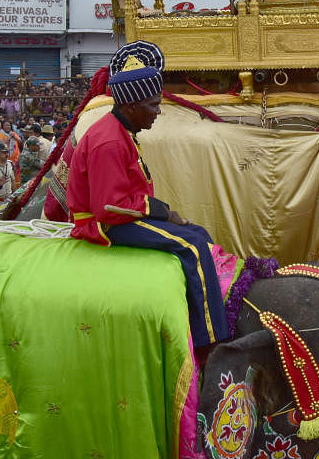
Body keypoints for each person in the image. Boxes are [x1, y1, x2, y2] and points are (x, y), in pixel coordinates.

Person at [66, 41, 230, 347]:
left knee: (199, 233)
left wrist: (164, 212)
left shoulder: (122, 130)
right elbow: (110, 208)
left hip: (123, 215)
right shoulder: (110, 141)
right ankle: (211, 339)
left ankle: (209, 314)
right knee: (191, 245)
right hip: (106, 225)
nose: (157, 112)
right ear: (130, 106)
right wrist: (163, 212)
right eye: (153, 105)